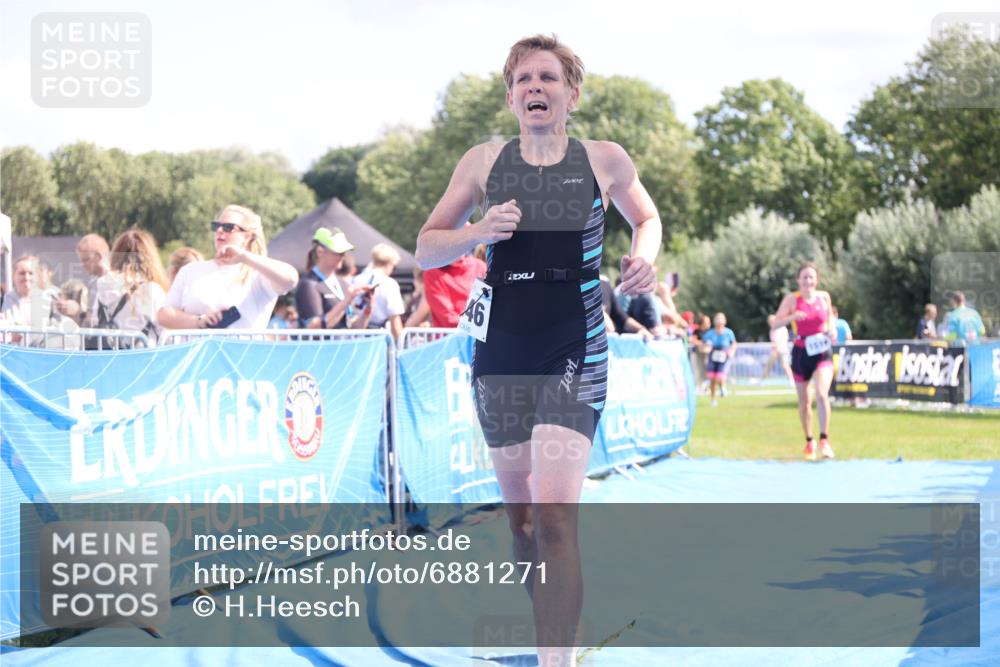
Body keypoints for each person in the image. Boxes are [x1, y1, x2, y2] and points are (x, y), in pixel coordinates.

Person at [414, 35, 661, 666]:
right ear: (509, 96)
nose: (534, 88)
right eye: (523, 79)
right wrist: (477, 231)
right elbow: (426, 247)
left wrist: (644, 260)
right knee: (521, 521)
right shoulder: (482, 162)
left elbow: (647, 219)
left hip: (572, 337)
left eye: (548, 78)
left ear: (571, 93)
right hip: (500, 345)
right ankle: (549, 624)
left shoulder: (604, 159)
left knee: (555, 516)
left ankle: (557, 656)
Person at [158, 205, 298, 330]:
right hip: (198, 356)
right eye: (216, 226)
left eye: (228, 227)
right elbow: (164, 315)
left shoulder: (258, 274)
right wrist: (198, 321)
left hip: (241, 357)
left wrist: (244, 256)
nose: (219, 230)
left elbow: (291, 279)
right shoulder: (190, 270)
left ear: (247, 237)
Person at [773, 262, 836, 461]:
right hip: (801, 353)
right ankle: (809, 441)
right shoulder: (792, 299)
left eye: (811, 277)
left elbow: (831, 319)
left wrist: (832, 329)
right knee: (804, 403)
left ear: (816, 279)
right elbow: (775, 323)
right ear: (798, 280)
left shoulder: (823, 297)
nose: (808, 281)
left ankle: (824, 440)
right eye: (804, 277)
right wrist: (792, 316)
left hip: (822, 351)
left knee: (821, 394)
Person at [94, 229, 169, 346]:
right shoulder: (151, 290)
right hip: (143, 358)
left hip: (107, 358)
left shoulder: (102, 287)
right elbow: (166, 333)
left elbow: (95, 321)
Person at [295, 227, 371, 330]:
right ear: (320, 251)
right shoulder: (309, 284)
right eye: (338, 252)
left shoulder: (343, 284)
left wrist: (369, 307)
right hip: (320, 346)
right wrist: (346, 302)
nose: (342, 256)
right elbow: (315, 328)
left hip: (343, 345)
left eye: (344, 253)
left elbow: (354, 327)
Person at [353, 243, 405, 341]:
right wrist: (401, 346)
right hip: (378, 338)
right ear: (390, 264)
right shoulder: (390, 284)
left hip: (355, 336)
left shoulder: (356, 280)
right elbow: (395, 320)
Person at [423, 251, 487, 327]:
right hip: (449, 336)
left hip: (480, 333)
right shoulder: (432, 273)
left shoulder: (481, 267)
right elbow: (448, 319)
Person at [701, 312, 737, 406]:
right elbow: (703, 343)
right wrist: (705, 348)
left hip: (724, 356)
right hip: (713, 355)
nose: (719, 321)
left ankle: (722, 387)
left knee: (720, 376)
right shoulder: (710, 333)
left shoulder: (729, 332)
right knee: (712, 379)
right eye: (717, 319)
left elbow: (733, 343)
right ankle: (713, 399)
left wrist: (732, 351)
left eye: (721, 319)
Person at [759, 314, 795, 385]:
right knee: (778, 365)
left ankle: (791, 380)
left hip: (779, 350)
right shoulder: (782, 328)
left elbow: (775, 342)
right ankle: (761, 381)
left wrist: (776, 349)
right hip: (782, 349)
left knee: (784, 365)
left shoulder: (775, 329)